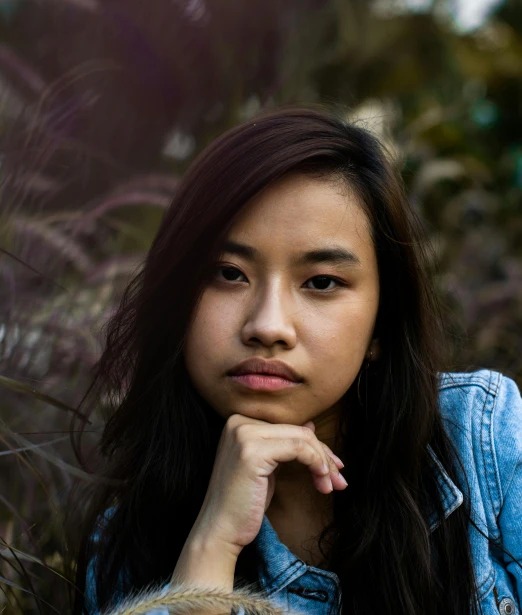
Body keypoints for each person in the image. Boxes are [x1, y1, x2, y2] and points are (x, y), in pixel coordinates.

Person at [70, 104, 522, 615]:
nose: (267, 326)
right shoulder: (129, 549)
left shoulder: (482, 439)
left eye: (322, 282)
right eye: (227, 273)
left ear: (381, 325)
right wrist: (209, 550)